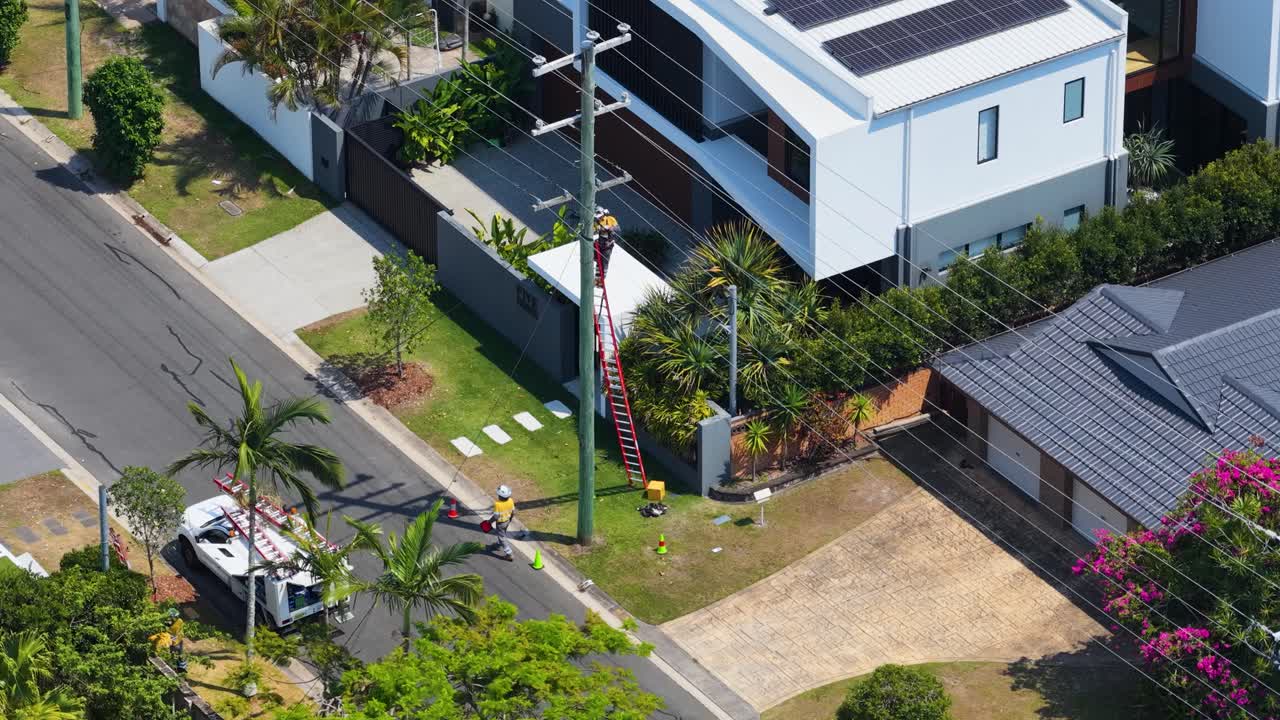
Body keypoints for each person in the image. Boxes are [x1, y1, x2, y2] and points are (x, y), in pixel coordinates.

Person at [489, 484, 516, 562]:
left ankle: (509, 554)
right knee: (502, 534)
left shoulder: (498, 504)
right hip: (507, 521)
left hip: (500, 523)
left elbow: (496, 517)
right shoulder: (511, 500)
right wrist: (510, 519)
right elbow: (513, 511)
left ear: (500, 496)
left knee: (502, 538)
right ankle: (498, 545)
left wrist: (489, 522)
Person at [593, 207, 619, 285]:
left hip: (608, 244)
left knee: (604, 262)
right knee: (598, 261)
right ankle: (597, 279)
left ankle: (601, 280)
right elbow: (593, 231)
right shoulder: (595, 222)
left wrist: (611, 228)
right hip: (599, 242)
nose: (599, 218)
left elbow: (618, 229)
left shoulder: (610, 219)